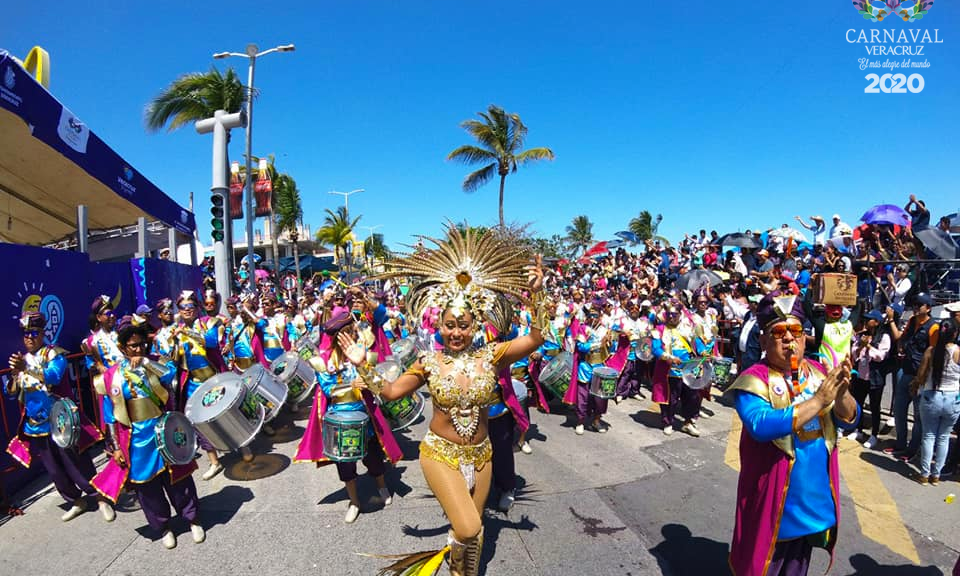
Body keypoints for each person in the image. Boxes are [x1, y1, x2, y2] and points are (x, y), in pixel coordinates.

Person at [349, 224, 546, 576]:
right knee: (470, 526)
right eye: (450, 324)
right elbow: (391, 392)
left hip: (482, 454)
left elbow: (535, 337)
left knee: (472, 530)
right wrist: (364, 367)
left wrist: (538, 296)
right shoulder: (428, 362)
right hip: (440, 455)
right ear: (439, 323)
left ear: (476, 324)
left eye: (464, 325)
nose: (456, 332)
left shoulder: (493, 354)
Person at [727, 292, 859, 576]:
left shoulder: (818, 371)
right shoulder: (753, 379)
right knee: (763, 562)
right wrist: (818, 402)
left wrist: (844, 391)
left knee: (798, 563)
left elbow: (849, 419)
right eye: (779, 332)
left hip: (812, 494)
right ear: (763, 341)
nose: (789, 338)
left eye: (796, 330)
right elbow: (760, 425)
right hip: (773, 495)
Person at [91, 319, 204, 549]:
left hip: (163, 428)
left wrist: (145, 362)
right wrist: (114, 448)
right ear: (122, 348)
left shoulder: (155, 364)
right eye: (133, 345)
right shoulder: (112, 376)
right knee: (147, 487)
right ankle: (163, 527)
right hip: (135, 439)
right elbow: (110, 415)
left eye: (142, 344)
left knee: (179, 478)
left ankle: (193, 519)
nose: (139, 348)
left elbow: (170, 376)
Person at [293, 310, 401, 524]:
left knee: (373, 457)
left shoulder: (364, 355)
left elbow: (378, 379)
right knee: (345, 464)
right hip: (338, 418)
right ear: (336, 339)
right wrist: (350, 385)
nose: (351, 336)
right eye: (346, 334)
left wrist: (366, 379)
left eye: (352, 332)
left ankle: (381, 486)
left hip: (364, 416)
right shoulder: (322, 362)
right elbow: (327, 388)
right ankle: (354, 501)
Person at [5, 311, 113, 522]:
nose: (29, 337)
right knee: (54, 469)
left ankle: (99, 497)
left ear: (43, 333)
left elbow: (53, 376)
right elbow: (13, 390)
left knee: (77, 461)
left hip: (60, 421)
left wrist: (26, 369)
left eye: (34, 332)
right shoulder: (21, 359)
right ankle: (75, 500)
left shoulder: (55, 354)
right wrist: (14, 376)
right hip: (36, 424)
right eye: (26, 333)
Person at [911, 319, 960, 484]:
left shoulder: (931, 351)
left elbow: (921, 375)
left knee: (929, 436)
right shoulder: (958, 352)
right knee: (944, 437)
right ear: (955, 333)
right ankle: (936, 475)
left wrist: (916, 387)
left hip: (931, 396)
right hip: (952, 398)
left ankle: (924, 474)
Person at [850, 310, 891, 449]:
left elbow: (881, 356)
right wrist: (861, 345)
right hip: (861, 376)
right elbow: (854, 354)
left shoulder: (884, 337)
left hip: (875, 378)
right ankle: (858, 430)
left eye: (870, 319)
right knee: (858, 404)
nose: (867, 322)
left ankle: (874, 435)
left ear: (877, 322)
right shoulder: (861, 336)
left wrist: (869, 346)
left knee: (874, 407)